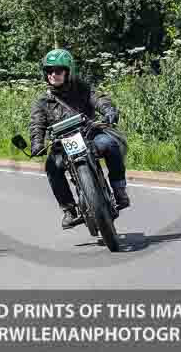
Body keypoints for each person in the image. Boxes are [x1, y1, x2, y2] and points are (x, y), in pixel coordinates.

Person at [29, 49, 130, 229]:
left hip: (89, 136)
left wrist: (109, 111)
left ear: (68, 71)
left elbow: (99, 99)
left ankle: (119, 189)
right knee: (51, 166)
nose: (53, 74)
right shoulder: (43, 102)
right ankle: (69, 209)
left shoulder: (82, 89)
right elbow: (37, 124)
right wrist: (37, 143)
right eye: (49, 71)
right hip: (62, 144)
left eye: (58, 70)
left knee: (110, 144)